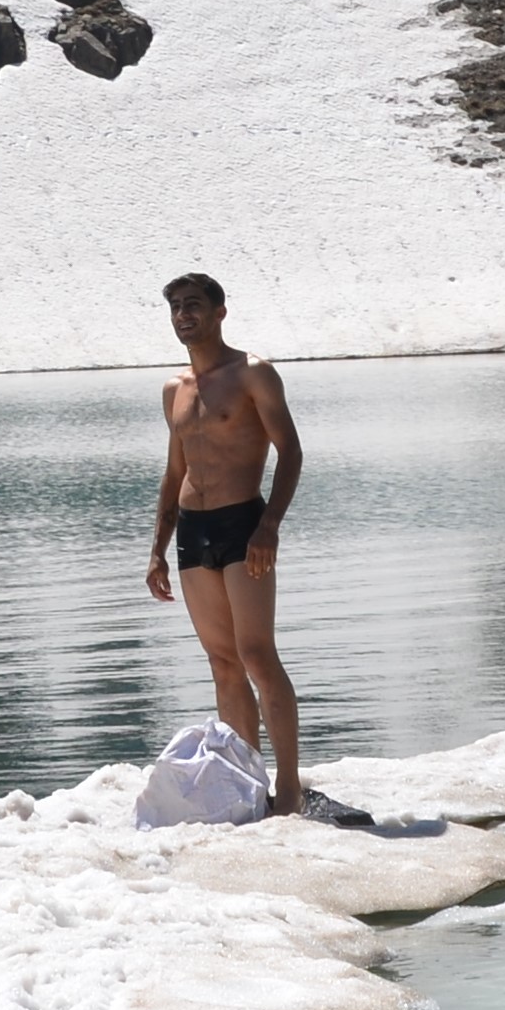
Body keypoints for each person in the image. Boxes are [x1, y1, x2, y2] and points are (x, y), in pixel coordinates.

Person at [144, 270, 306, 815]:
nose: (183, 315)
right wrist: (157, 549)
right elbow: (173, 474)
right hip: (193, 531)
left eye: (193, 305)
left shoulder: (253, 374)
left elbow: (290, 452)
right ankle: (246, 785)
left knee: (257, 654)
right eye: (175, 308)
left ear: (219, 312)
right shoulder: (175, 390)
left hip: (244, 525)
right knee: (222, 662)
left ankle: (289, 786)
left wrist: (269, 526)